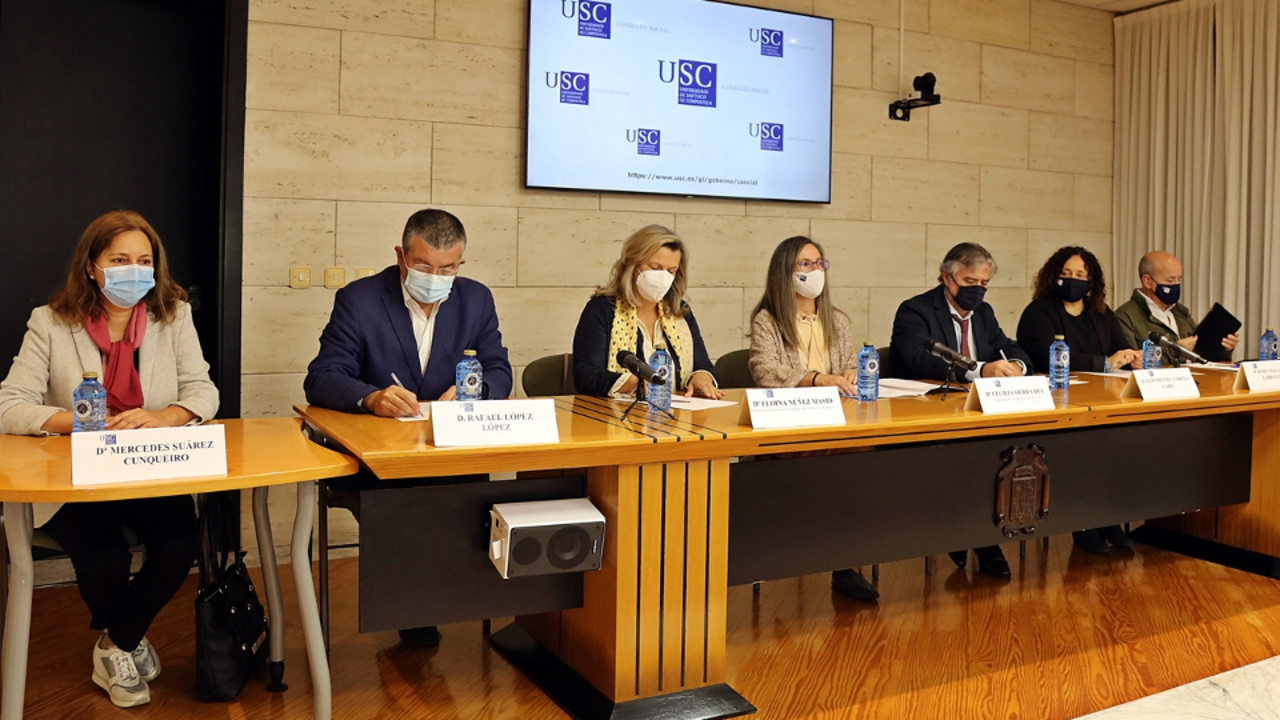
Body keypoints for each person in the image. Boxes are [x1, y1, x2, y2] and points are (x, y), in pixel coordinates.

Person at [0, 210, 219, 708]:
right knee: (104, 559)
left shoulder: (174, 315)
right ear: (92, 267)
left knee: (180, 541)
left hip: (148, 467)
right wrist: (75, 422)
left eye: (144, 260)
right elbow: (8, 404)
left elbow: (204, 391)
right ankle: (128, 639)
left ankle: (113, 642)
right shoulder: (51, 322)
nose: (133, 270)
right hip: (76, 474)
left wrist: (164, 416)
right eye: (119, 259)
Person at [304, 208, 512, 646]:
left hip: (451, 452)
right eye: (422, 266)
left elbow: (499, 369)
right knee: (407, 507)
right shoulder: (360, 300)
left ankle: (444, 600)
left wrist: (479, 389)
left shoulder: (476, 300)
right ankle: (413, 611)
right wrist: (371, 397)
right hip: (381, 462)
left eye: (446, 269)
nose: (434, 277)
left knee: (480, 501)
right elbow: (322, 377)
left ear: (460, 266)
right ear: (401, 256)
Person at [889, 242, 1032, 579]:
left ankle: (981, 536)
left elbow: (1009, 347)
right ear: (947, 278)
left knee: (1004, 450)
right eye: (970, 283)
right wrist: (981, 370)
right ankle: (969, 535)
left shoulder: (983, 313)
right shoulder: (915, 310)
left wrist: (1015, 365)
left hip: (976, 410)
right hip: (925, 414)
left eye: (983, 284)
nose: (977, 292)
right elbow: (920, 360)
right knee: (972, 455)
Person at [747, 236, 878, 602]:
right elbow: (765, 370)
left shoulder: (836, 319)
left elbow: (848, 363)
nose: (815, 270)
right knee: (839, 463)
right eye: (805, 264)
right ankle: (823, 554)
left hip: (835, 419)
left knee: (866, 456)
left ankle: (848, 562)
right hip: (792, 425)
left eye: (820, 263)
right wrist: (816, 378)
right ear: (785, 272)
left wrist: (851, 374)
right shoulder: (768, 319)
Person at [1016, 246, 1141, 553]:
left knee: (1115, 446)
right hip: (1058, 403)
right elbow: (1044, 356)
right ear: (1053, 277)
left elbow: (1120, 349)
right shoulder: (1039, 312)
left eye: (1081, 275)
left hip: (1101, 401)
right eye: (1066, 274)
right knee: (1083, 448)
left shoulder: (1101, 312)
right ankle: (1082, 522)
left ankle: (1106, 517)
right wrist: (1104, 362)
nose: (1073, 280)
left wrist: (1132, 357)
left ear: (1092, 281)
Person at [572, 224, 722, 400]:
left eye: (671, 271)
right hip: (618, 418)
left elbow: (702, 364)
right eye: (655, 268)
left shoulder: (680, 312)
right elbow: (586, 376)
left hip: (676, 418)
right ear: (632, 266)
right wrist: (634, 383)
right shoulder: (602, 310)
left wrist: (703, 377)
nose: (663, 277)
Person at [1113, 250, 1239, 361]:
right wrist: (1177, 350)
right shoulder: (1125, 317)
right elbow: (1131, 362)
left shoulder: (1181, 313)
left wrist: (1224, 349)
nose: (1176, 285)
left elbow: (1202, 358)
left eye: (1179, 279)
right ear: (1147, 281)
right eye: (1170, 280)